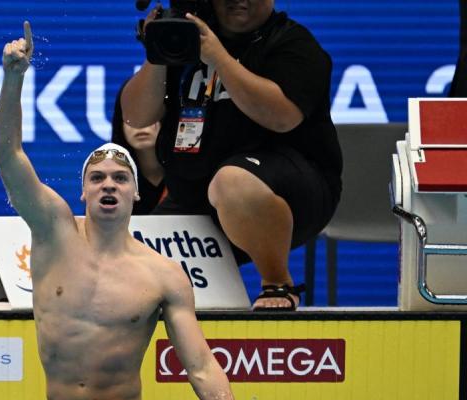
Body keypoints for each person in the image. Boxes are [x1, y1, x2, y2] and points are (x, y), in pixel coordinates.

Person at [0, 21, 238, 400]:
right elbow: (7, 154)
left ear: (135, 192)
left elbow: (202, 366)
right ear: (83, 192)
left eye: (121, 178)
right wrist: (13, 79)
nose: (109, 185)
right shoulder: (53, 231)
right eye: (98, 178)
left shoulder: (164, 274)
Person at [119, 0, 342, 311]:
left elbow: (282, 117)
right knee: (135, 283)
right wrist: (157, 53)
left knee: (233, 182)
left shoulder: (293, 43)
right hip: (197, 195)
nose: (240, 0)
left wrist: (219, 59)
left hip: (290, 191)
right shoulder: (188, 40)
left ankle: (277, 282)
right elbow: (136, 116)